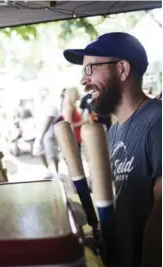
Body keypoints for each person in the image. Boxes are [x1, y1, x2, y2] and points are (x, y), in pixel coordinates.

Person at [64, 32, 162, 267]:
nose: (83, 80)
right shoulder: (114, 132)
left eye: (90, 69)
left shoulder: (158, 121)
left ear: (122, 69)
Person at [32, 92, 59, 175]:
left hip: (48, 133)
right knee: (39, 151)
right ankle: (48, 170)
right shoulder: (40, 106)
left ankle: (56, 171)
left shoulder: (51, 105)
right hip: (40, 132)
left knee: (52, 153)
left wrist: (43, 133)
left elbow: (49, 119)